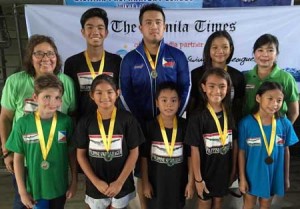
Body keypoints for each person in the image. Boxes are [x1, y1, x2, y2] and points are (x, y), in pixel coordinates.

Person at [119, 4, 191, 208]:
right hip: (141, 126)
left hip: (171, 125)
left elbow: (186, 87)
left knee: (172, 168)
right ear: (140, 27)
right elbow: (125, 92)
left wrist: (172, 118)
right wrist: (139, 123)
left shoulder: (177, 56)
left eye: (158, 22)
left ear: (165, 26)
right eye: (148, 22)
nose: (154, 27)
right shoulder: (130, 59)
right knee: (143, 170)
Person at [0, 34, 76, 209]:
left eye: (50, 53)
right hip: (28, 161)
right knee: (25, 202)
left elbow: (72, 116)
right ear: (30, 57)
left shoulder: (66, 83)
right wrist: (7, 152)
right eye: (39, 53)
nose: (45, 58)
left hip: (56, 162)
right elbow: (5, 118)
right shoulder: (15, 82)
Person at [75, 74, 145, 209]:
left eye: (109, 92)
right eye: (99, 93)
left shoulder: (128, 120)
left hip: (121, 185)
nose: (104, 97)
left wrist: (119, 182)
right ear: (91, 95)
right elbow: (80, 155)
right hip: (95, 186)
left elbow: (134, 153)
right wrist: (96, 182)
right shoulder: (85, 121)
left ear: (117, 93)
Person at [238, 81, 299, 209]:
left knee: (266, 204)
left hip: (273, 173)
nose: (274, 104)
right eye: (270, 99)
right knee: (249, 203)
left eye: (279, 100)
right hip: (252, 173)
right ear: (258, 98)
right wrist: (242, 178)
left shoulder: (285, 123)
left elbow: (286, 150)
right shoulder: (246, 123)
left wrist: (286, 177)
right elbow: (242, 152)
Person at [185, 68, 237, 209]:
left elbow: (235, 143)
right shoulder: (197, 117)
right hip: (204, 173)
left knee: (219, 201)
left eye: (222, 86)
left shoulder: (230, 113)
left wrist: (233, 170)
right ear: (203, 87)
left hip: (223, 171)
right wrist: (198, 179)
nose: (217, 91)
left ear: (228, 88)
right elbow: (194, 149)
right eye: (211, 86)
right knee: (204, 202)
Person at [141, 82, 194, 209]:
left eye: (173, 100)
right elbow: (143, 157)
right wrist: (145, 182)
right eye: (164, 100)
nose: (169, 104)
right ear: (157, 103)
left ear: (179, 103)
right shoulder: (149, 126)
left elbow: (190, 156)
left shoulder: (185, 126)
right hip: (156, 183)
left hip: (178, 182)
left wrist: (191, 182)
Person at [64, 7, 122, 119]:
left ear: (106, 33)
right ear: (83, 32)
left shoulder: (116, 61)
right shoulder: (72, 63)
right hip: (81, 124)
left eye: (100, 27)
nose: (95, 32)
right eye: (90, 27)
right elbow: (70, 100)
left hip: (111, 123)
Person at [190, 30, 245, 123]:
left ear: (230, 49)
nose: (220, 51)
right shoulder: (196, 74)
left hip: (228, 127)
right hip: (201, 126)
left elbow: (238, 108)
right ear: (208, 49)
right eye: (215, 47)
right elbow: (192, 106)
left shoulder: (238, 76)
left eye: (225, 47)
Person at [243, 33, 299, 124]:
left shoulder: (286, 78)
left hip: (276, 130)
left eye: (270, 50)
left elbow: (294, 111)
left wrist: (284, 130)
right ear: (254, 53)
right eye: (260, 50)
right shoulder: (246, 77)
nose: (265, 54)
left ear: (276, 54)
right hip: (250, 129)